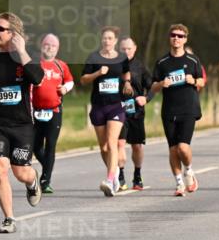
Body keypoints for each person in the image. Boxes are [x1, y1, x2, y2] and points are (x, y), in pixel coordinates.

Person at [0, 13, 44, 232]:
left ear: (13, 33)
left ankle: (33, 181)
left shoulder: (25, 57)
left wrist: (21, 51)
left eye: (0, 28)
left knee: (20, 172)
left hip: (22, 125)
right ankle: (9, 218)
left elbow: (38, 78)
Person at [151, 23, 206, 196]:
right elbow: (153, 86)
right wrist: (161, 84)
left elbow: (202, 81)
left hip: (188, 108)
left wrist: (194, 81)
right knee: (173, 149)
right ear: (169, 38)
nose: (176, 38)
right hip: (169, 109)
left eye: (180, 36)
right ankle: (179, 183)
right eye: (174, 35)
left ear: (185, 39)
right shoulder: (162, 62)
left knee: (183, 147)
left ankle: (189, 170)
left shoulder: (192, 60)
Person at [80, 26, 132, 196]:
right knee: (103, 148)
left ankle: (109, 179)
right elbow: (83, 80)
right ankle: (115, 172)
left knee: (112, 142)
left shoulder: (122, 58)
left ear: (115, 41)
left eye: (110, 38)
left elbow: (126, 72)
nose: (106, 41)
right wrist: (97, 73)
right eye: (104, 38)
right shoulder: (93, 57)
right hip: (98, 106)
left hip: (116, 106)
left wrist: (127, 82)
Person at [31, 33, 74, 193]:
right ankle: (48, 166)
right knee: (35, 146)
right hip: (35, 111)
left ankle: (45, 180)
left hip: (54, 111)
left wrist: (65, 88)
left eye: (53, 45)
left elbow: (70, 81)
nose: (49, 47)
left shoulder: (61, 65)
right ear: (42, 46)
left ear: (57, 49)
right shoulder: (34, 64)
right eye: (47, 44)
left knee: (50, 146)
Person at [118, 36, 153, 190]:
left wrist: (145, 98)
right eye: (123, 49)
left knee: (136, 146)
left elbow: (152, 87)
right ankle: (120, 175)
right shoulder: (114, 66)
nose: (126, 52)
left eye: (129, 49)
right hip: (118, 111)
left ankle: (137, 175)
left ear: (135, 48)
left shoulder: (140, 67)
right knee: (119, 143)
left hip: (136, 112)